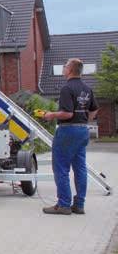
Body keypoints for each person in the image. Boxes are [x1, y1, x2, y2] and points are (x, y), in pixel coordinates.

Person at [42, 58, 99, 215]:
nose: (63, 68)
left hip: (67, 131)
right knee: (80, 168)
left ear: (71, 70)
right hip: (82, 131)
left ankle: (64, 205)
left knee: (61, 168)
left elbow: (67, 113)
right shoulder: (87, 89)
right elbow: (94, 110)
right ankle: (79, 205)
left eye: (65, 66)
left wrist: (50, 114)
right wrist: (84, 120)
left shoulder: (67, 88)